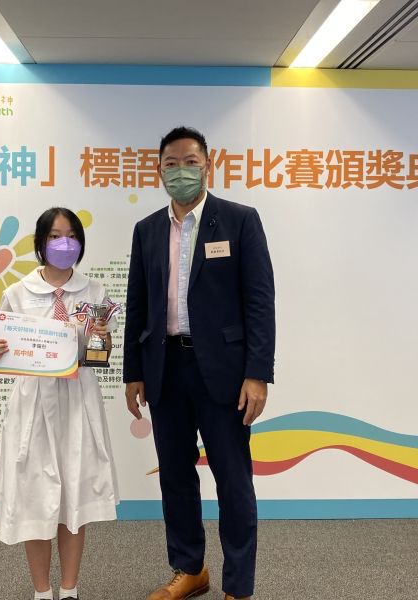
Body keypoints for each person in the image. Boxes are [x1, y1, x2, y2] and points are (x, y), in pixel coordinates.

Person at [123, 126, 276, 600]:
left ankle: (238, 586)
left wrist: (258, 373)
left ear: (209, 165)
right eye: (171, 163)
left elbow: (260, 302)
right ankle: (190, 568)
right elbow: (138, 304)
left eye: (191, 161)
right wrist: (133, 371)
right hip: (165, 368)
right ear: (159, 170)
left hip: (224, 373)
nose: (181, 171)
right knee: (175, 476)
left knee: (233, 479)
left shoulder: (239, 220)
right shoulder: (147, 230)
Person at [0, 207, 119, 600]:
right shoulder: (18, 292)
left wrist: (102, 337)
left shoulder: (94, 292)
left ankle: (70, 588)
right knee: (35, 496)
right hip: (33, 403)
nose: (64, 243)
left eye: (72, 236)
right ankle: (42, 591)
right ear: (41, 243)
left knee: (74, 493)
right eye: (55, 236)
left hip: (78, 401)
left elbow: (100, 354)